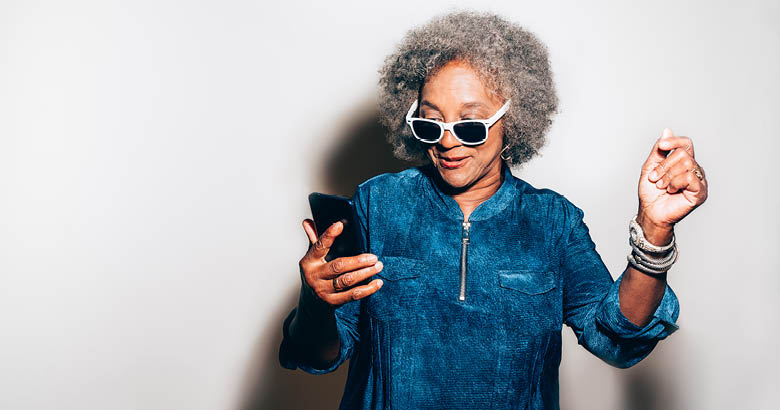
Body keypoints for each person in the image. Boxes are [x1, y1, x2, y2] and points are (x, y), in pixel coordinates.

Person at [279, 11, 708, 410]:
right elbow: (321, 353)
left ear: (514, 119)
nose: (447, 142)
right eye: (430, 123)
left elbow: (617, 337)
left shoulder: (552, 221)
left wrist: (654, 230)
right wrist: (315, 303)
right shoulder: (377, 204)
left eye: (469, 124)